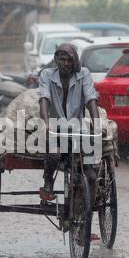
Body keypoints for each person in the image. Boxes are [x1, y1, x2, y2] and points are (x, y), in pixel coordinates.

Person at [38, 43, 100, 203]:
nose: (65, 63)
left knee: (90, 173)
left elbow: (90, 99)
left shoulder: (84, 74)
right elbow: (44, 99)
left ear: (75, 62)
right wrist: (45, 122)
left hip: (78, 130)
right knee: (54, 154)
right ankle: (48, 181)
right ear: (56, 59)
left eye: (69, 60)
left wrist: (97, 124)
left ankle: (88, 208)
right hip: (55, 129)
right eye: (62, 59)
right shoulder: (47, 75)